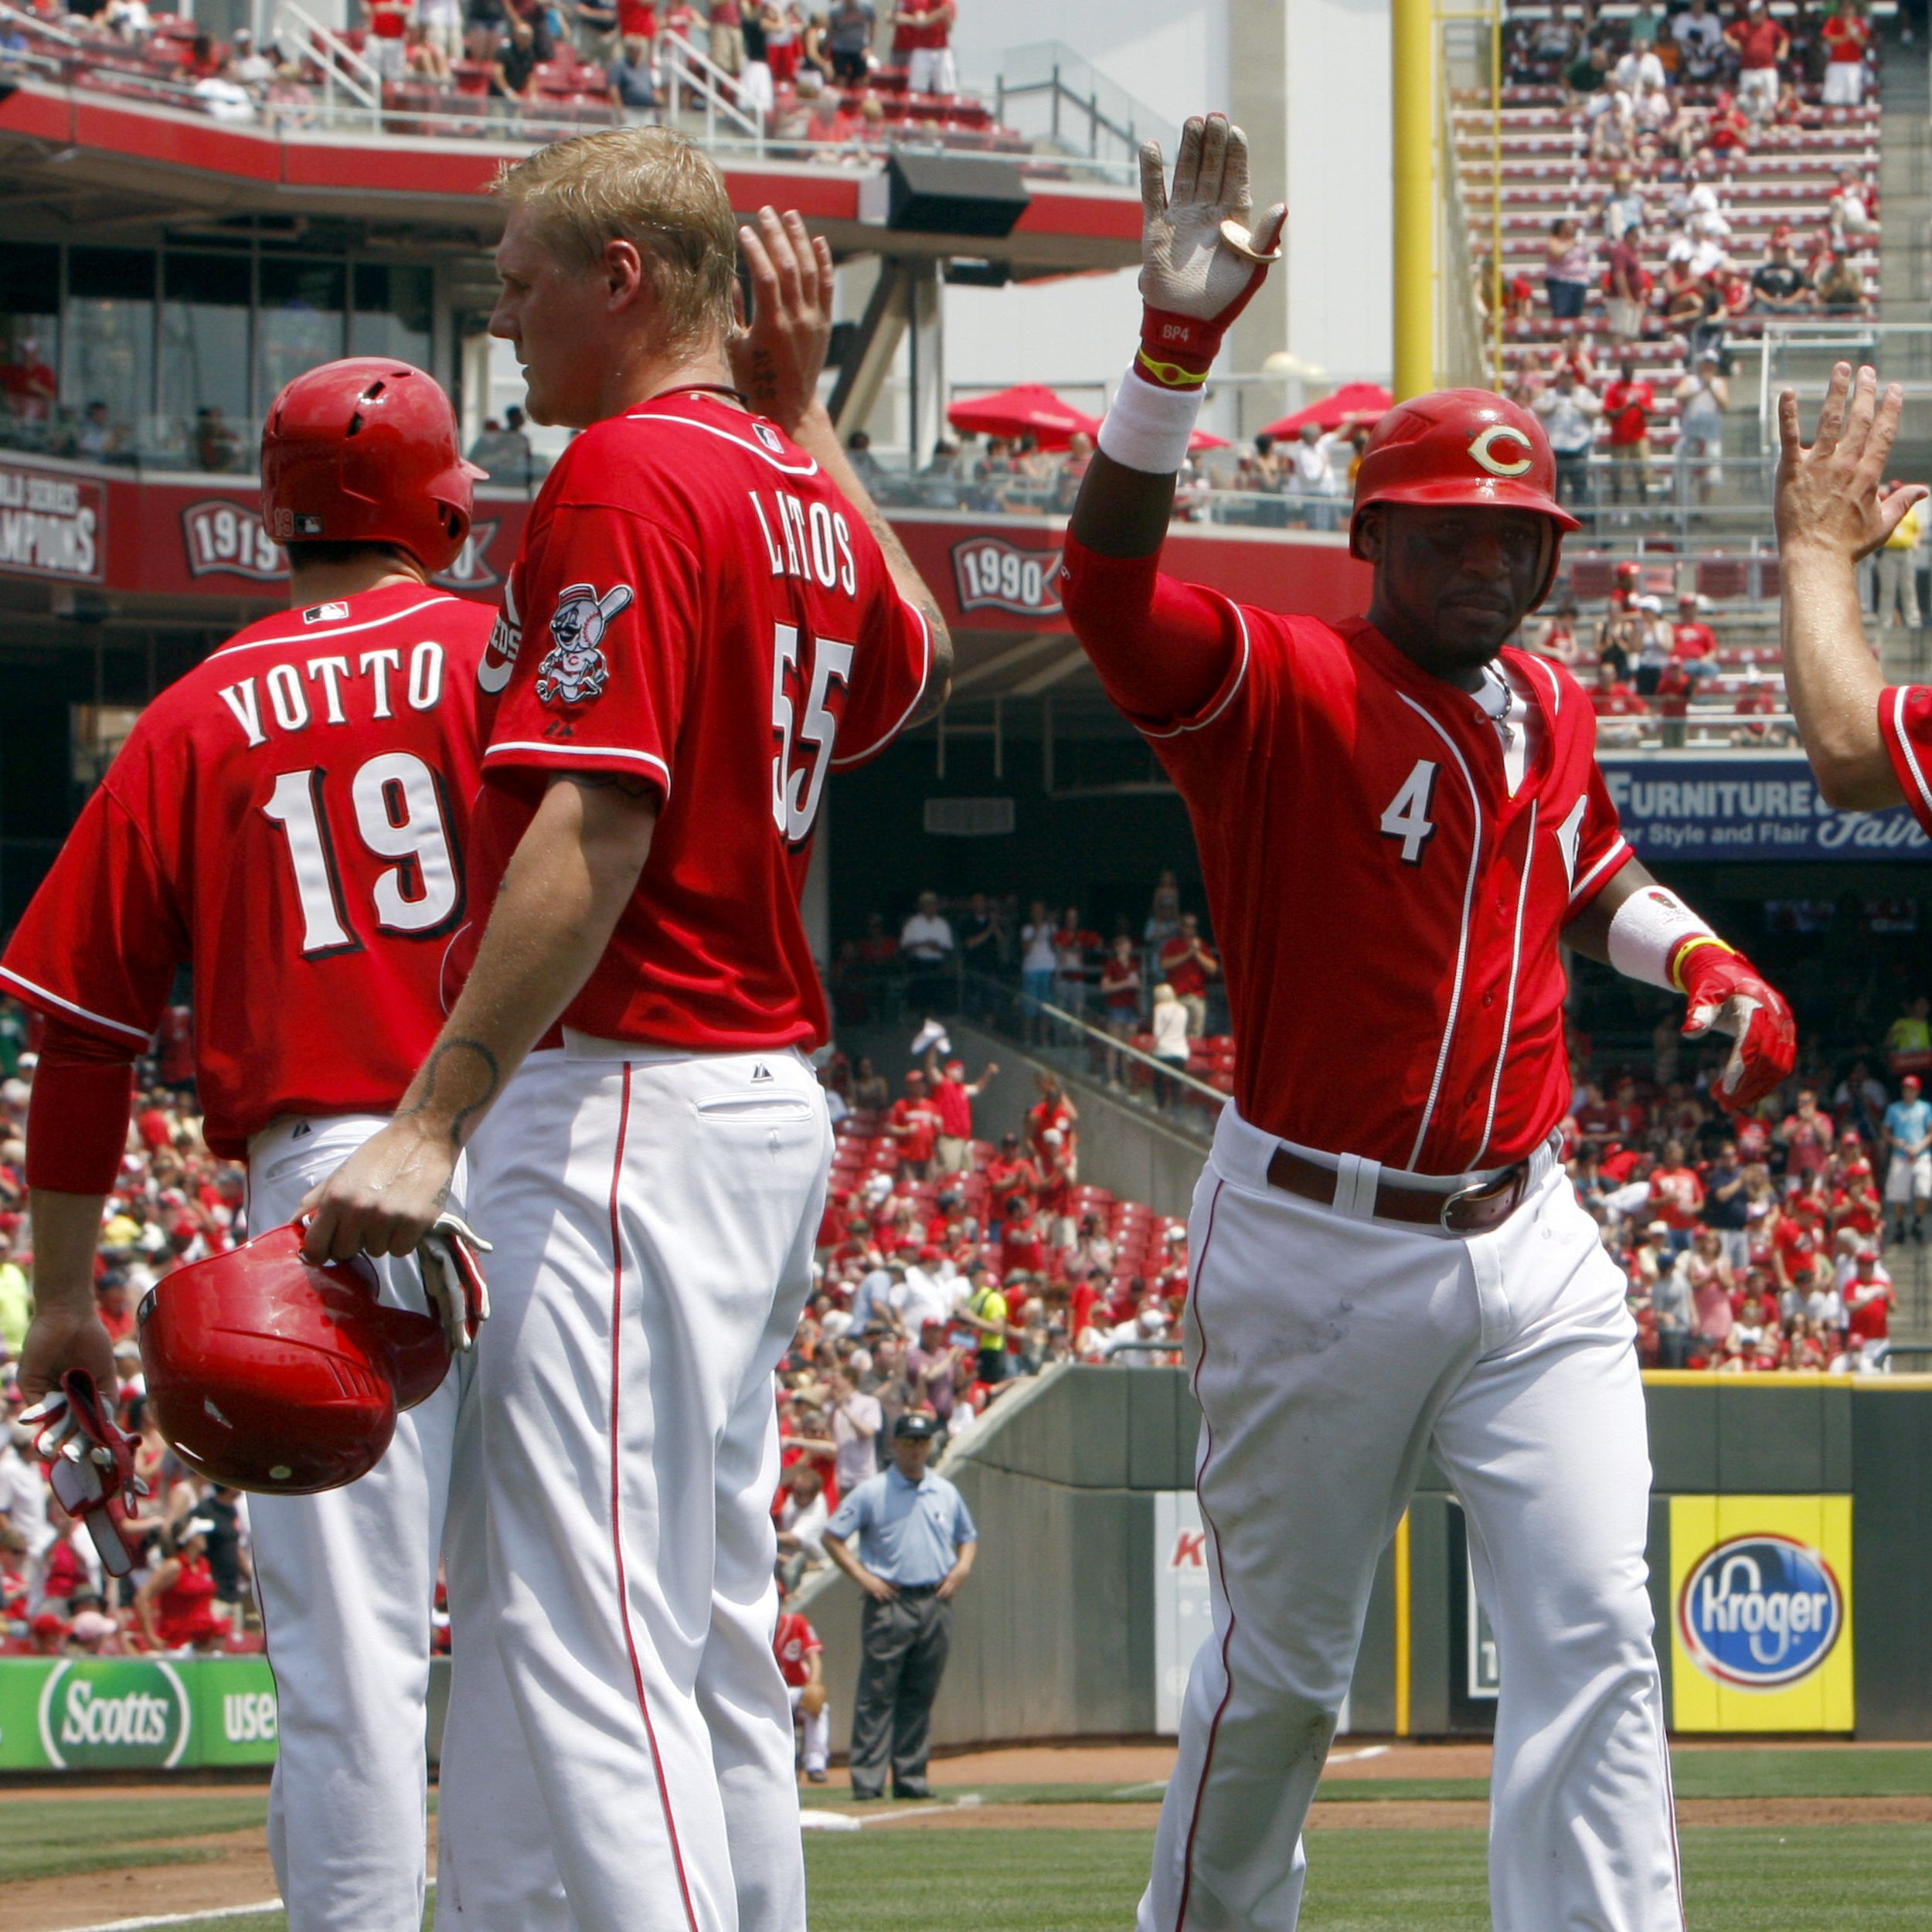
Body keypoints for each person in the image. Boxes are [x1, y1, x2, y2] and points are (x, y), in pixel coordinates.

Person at [1060, 116, 1795, 1932]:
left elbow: (1593, 872)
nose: (1492, 562)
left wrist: (1705, 964)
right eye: (1455, 532)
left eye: (1519, 536)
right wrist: (1169, 358)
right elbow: (1102, 596)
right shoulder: (1287, 680)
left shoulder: (1545, 701)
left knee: (1601, 1632)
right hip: (1315, 1238)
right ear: (1371, 530)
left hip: (1527, 1236)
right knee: (1289, 1678)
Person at [302, 146, 951, 1932]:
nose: (495, 318)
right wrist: (809, 419)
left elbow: (593, 828)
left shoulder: (620, 472)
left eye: (517, 283)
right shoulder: (775, 478)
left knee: (584, 1628)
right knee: (686, 1618)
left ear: (621, 278)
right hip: (749, 1095)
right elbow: (921, 649)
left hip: (624, 1091)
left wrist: (438, 1111)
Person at [0, 360, 560, 1932]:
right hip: (527, 1144)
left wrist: (62, 1297)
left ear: (273, 513)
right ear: (447, 503)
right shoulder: (502, 653)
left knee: (347, 1660)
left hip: (319, 1203)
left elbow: (82, 1035)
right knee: (552, 1624)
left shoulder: (189, 715)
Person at [820, 1410, 977, 1800]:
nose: (916, 1449)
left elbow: (968, 1536)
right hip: (890, 1600)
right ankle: (868, 1782)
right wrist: (864, 1577)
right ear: (895, 1445)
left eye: (922, 1442)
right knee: (877, 1693)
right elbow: (833, 1536)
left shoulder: (943, 1490)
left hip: (934, 1599)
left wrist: (961, 1570)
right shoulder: (874, 1491)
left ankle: (911, 1778)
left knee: (920, 1693)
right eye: (908, 1441)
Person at [774, 1593, 830, 1781]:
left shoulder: (796, 1622)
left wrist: (813, 1684)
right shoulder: (754, 1626)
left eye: (780, 1597)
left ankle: (815, 1764)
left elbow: (814, 1657)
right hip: (766, 1693)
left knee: (818, 1705)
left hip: (793, 1692)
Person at [1881, 1074, 1932, 1243]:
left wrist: (1919, 1147)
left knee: (1924, 1190)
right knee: (1898, 1194)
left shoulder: (1925, 1108)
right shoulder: (1894, 1109)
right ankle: (1899, 1224)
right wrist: (1897, 1143)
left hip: (1921, 1154)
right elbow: (1886, 1132)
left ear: (1917, 1091)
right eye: (1905, 1089)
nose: (1907, 1092)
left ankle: (1917, 1221)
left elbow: (1930, 1132)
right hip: (1901, 1154)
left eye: (1911, 1089)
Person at [1876, 485, 1923, 629]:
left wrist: (1916, 541)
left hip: (1906, 552)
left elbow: (1917, 530)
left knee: (1908, 588)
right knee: (1887, 589)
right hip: (1889, 552)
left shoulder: (1911, 512)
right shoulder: (1884, 509)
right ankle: (1885, 622)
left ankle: (1913, 621)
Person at [1821, 1, 1870, 108]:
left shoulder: (1859, 22)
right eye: (1844, 8)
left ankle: (1851, 123)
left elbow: (1862, 42)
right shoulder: (1833, 21)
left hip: (1853, 64)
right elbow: (1829, 39)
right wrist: (1845, 36)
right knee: (1833, 98)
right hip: (1836, 63)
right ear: (1840, 9)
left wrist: (1851, 31)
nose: (1846, 11)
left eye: (1849, 8)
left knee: (1852, 97)